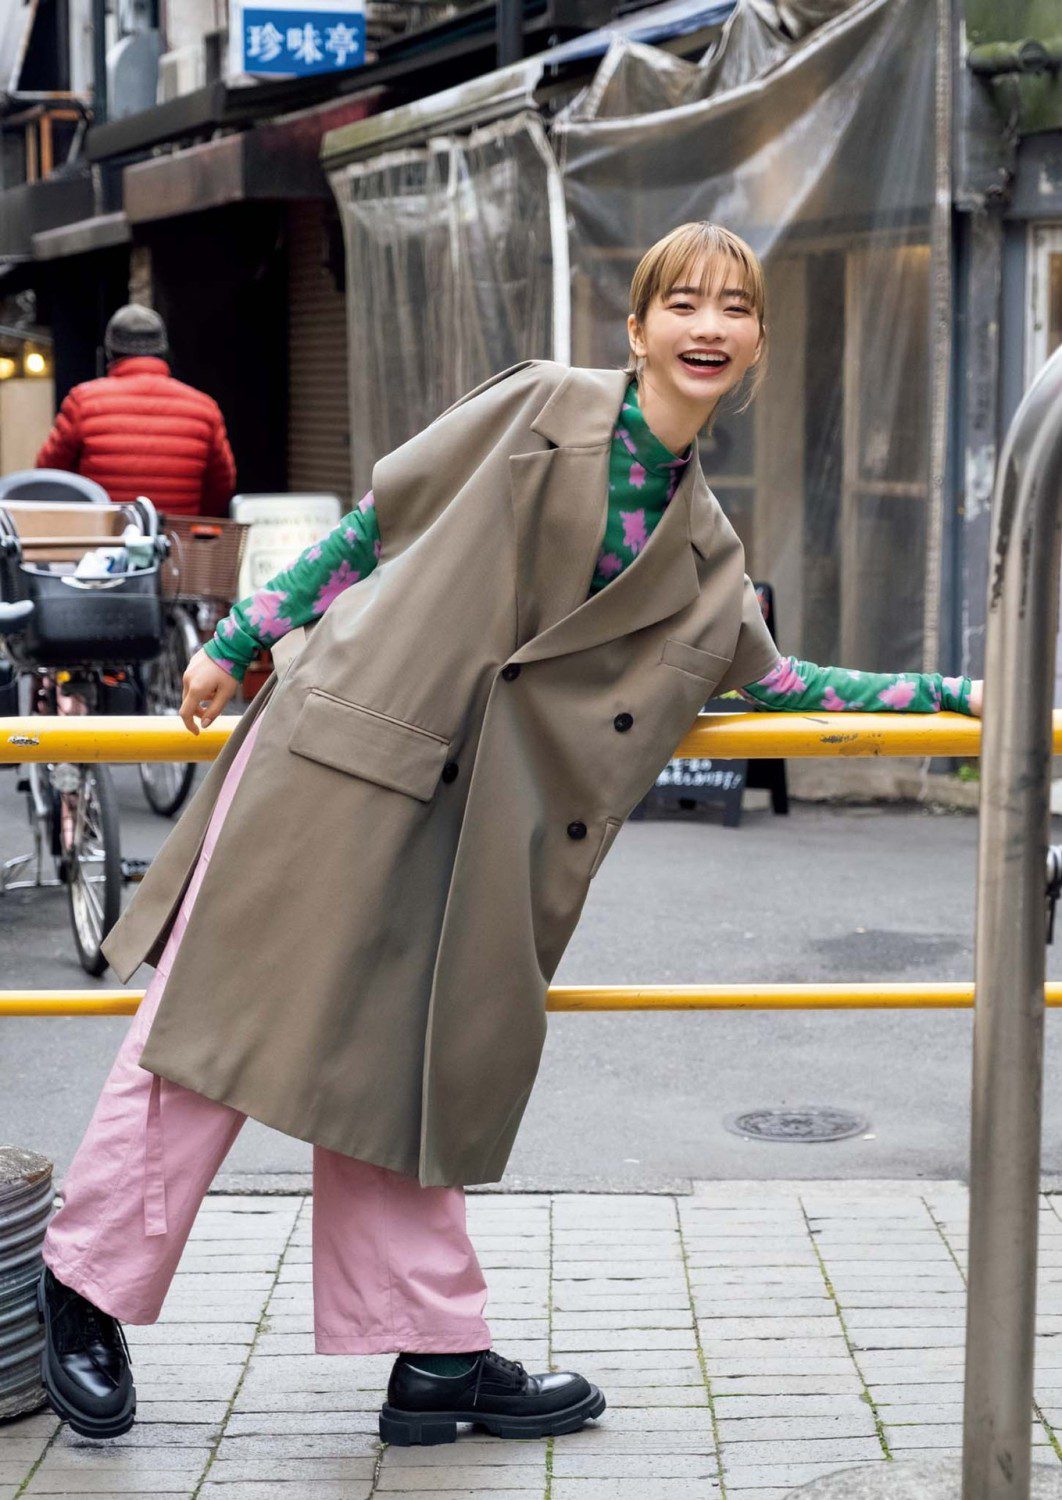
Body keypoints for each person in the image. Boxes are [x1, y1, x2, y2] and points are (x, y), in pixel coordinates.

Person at [35, 222, 983, 1448]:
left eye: (735, 308)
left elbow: (781, 681)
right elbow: (379, 523)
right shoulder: (541, 404)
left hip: (472, 825)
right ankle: (81, 1285)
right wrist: (236, 637)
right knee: (207, 1031)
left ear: (756, 344)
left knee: (401, 1071)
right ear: (636, 328)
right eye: (682, 301)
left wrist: (960, 694)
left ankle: (434, 1355)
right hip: (346, 756)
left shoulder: (706, 551)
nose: (708, 325)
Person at [35, 305, 236, 517]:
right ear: (163, 350)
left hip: (103, 535)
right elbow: (222, 484)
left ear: (110, 351)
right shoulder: (204, 408)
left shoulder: (83, 401)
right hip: (176, 534)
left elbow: (49, 476)